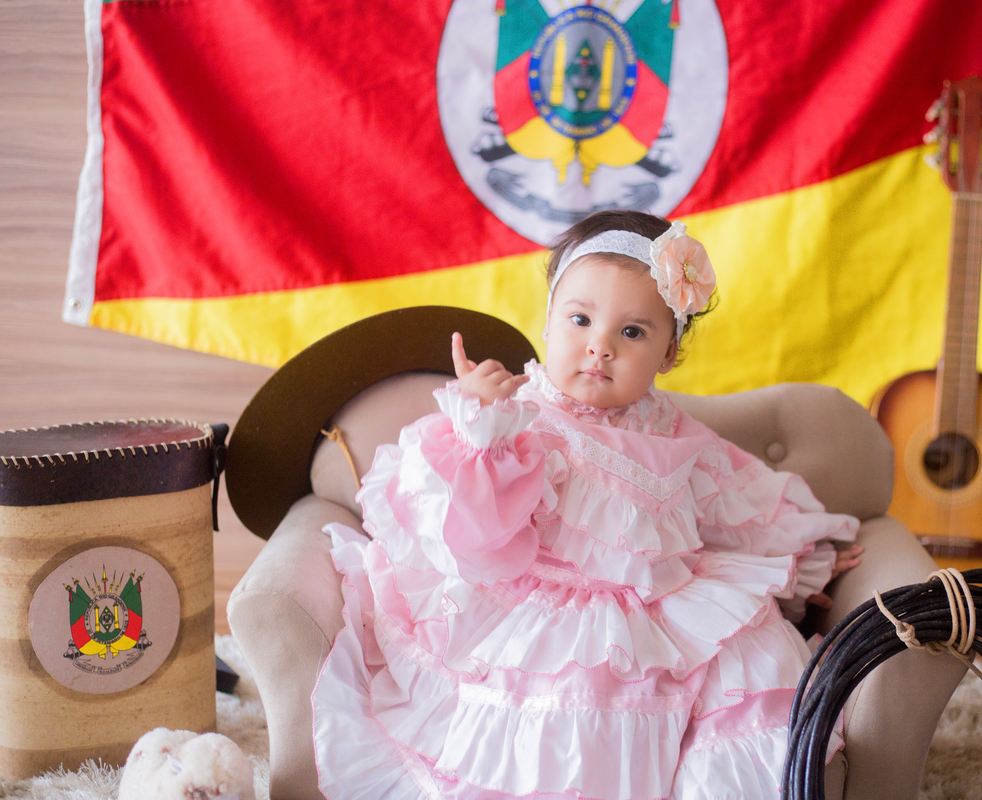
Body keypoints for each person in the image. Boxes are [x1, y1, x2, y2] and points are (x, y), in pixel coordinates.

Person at [312, 210, 864, 800]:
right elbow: (478, 535)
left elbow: (732, 502)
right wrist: (481, 431)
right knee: (578, 703)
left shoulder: (672, 432)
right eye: (580, 320)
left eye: (633, 332)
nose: (600, 347)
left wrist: (804, 555)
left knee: (750, 655)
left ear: (669, 353)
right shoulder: (522, 417)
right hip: (543, 608)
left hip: (658, 607)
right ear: (548, 323)